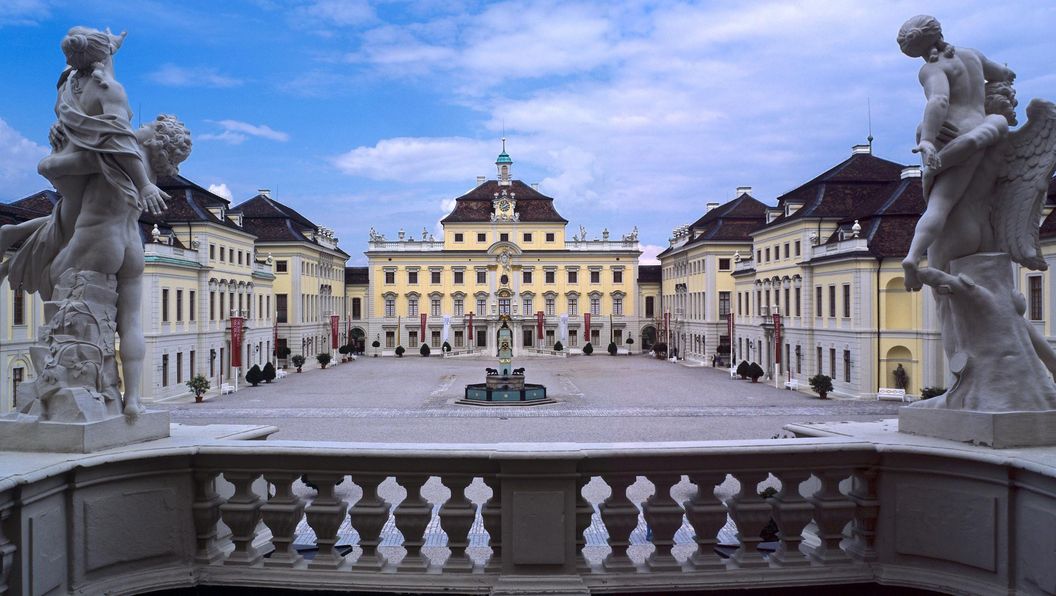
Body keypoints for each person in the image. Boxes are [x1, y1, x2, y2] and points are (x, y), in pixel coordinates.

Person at [0, 27, 190, 416]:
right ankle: (132, 399)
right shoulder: (141, 165)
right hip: (131, 247)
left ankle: (64, 387)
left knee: (64, 299)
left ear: (154, 140)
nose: (140, 124)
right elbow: (107, 85)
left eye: (149, 126)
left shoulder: (116, 151)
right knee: (131, 322)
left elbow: (58, 168)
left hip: (97, 242)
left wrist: (60, 148)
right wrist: (109, 54)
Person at [897, 15, 1016, 291]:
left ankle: (913, 256)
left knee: (941, 202)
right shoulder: (972, 55)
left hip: (955, 136)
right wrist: (1006, 78)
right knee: (948, 201)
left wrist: (927, 139)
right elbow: (1003, 74)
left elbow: (939, 100)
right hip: (977, 128)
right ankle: (915, 257)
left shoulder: (932, 68)